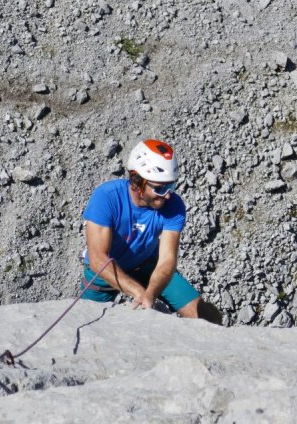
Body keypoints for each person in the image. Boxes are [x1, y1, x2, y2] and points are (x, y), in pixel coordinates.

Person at [81, 138, 221, 323]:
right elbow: (99, 260)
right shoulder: (106, 197)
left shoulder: (173, 205)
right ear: (137, 182)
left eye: (171, 186)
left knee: (207, 318)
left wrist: (150, 294)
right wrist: (138, 291)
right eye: (160, 188)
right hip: (105, 273)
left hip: (148, 266)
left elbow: (167, 260)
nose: (168, 194)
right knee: (87, 324)